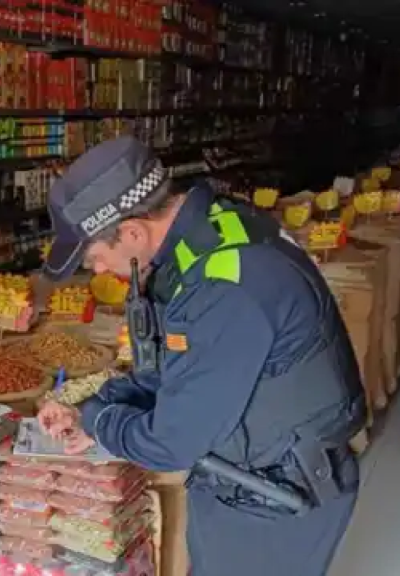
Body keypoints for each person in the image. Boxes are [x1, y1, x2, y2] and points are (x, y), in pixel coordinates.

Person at [37, 136, 365, 576]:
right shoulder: (205, 234)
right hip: (249, 477)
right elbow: (178, 368)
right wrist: (96, 408)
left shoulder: (225, 284)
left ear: (133, 232)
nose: (97, 271)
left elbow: (171, 443)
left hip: (277, 497)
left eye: (96, 257)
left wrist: (100, 421)